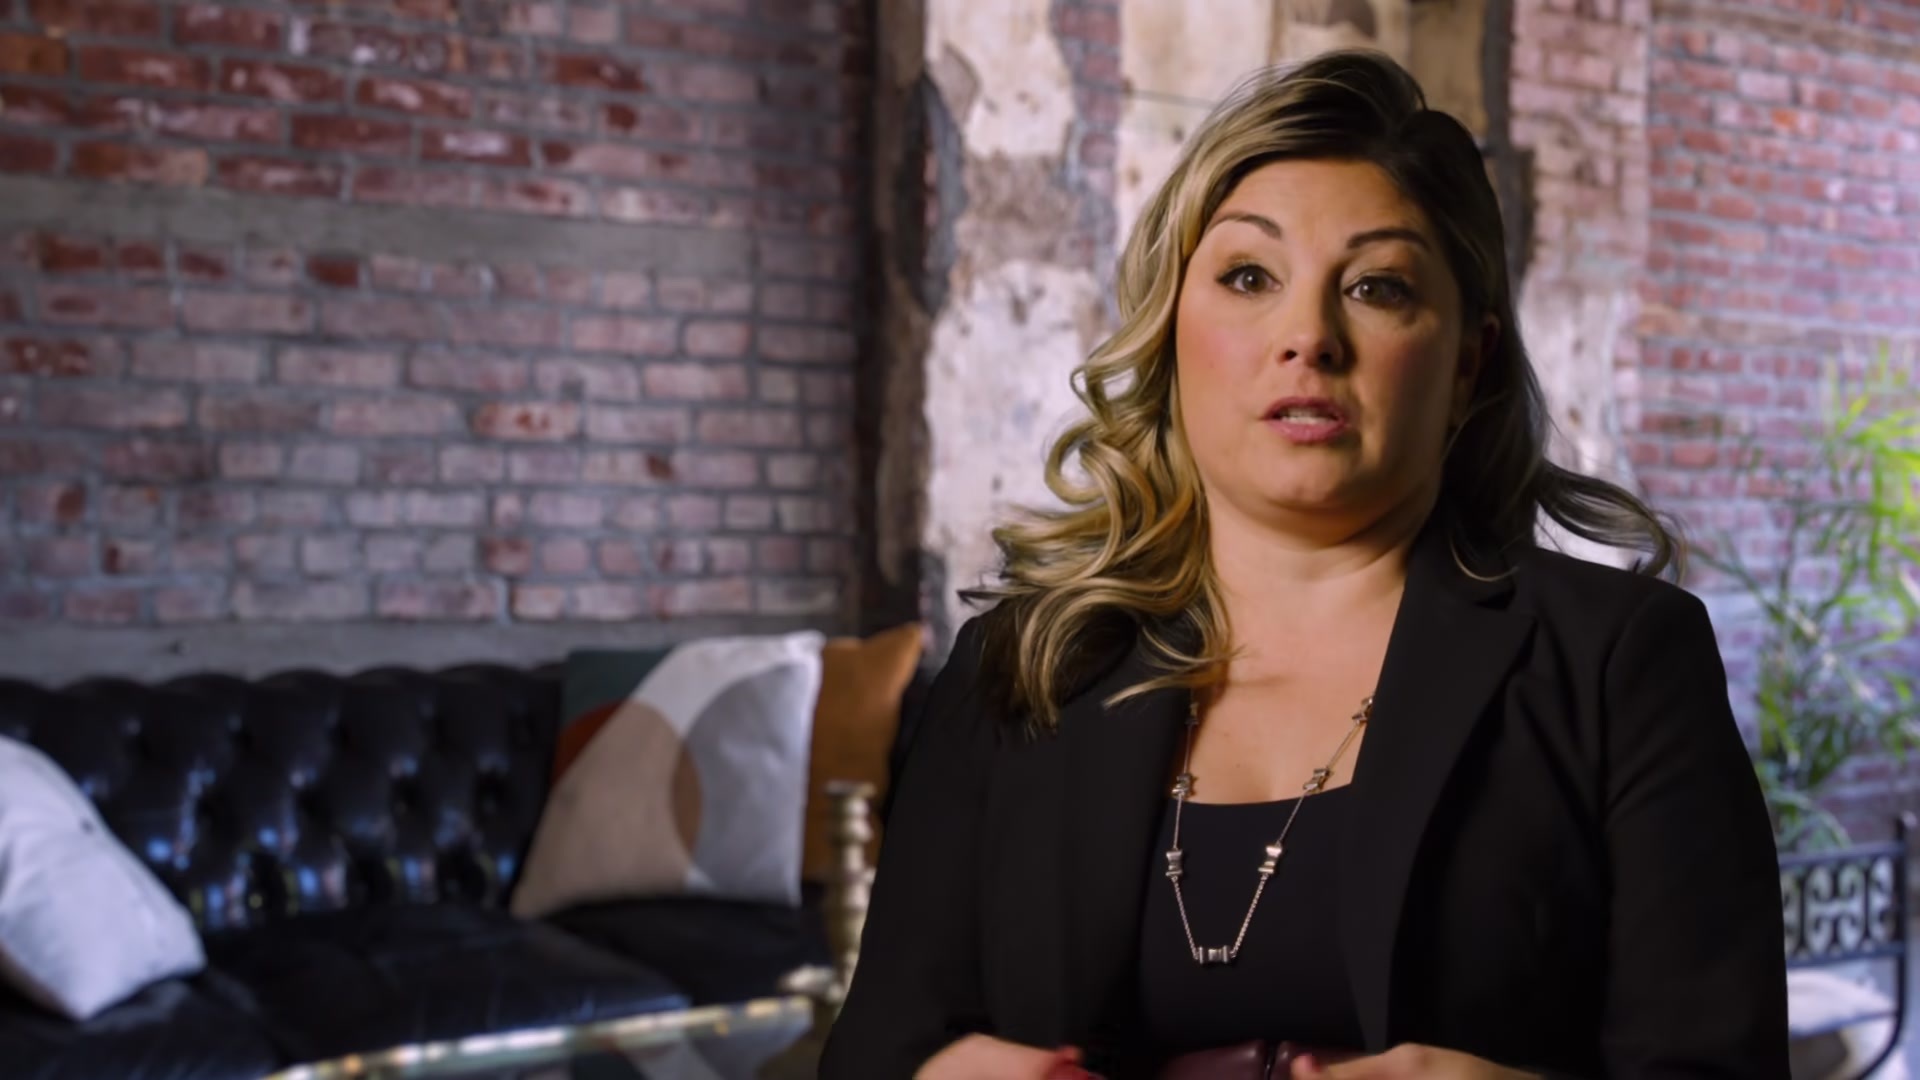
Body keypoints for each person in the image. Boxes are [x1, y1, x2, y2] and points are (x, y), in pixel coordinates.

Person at [819, 49, 1787, 1080]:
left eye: (1377, 287)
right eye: (1249, 277)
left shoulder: (1618, 665)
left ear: (1466, 363)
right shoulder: (1019, 670)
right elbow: (877, 1051)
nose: (1308, 337)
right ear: (1170, 331)